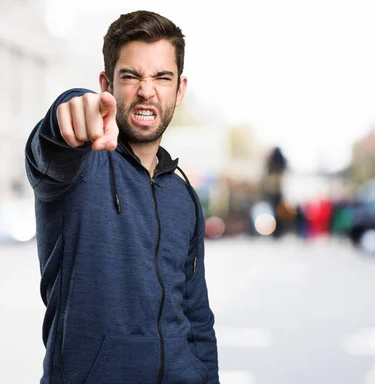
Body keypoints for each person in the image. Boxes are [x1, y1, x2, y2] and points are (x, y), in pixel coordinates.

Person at [24, 10, 219, 384]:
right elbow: (49, 145)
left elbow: (197, 319)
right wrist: (71, 107)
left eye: (162, 77)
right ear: (107, 85)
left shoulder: (183, 195)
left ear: (179, 90)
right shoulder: (78, 165)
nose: (147, 90)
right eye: (131, 76)